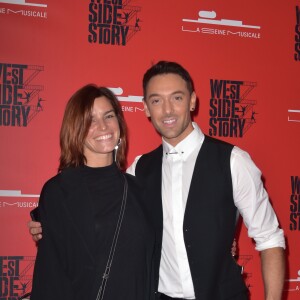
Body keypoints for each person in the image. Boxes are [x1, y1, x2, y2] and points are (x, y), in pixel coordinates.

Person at [29, 62, 286, 300]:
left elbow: (270, 239)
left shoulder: (233, 161)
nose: (167, 110)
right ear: (145, 108)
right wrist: (47, 225)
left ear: (193, 101)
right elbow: (96, 211)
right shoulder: (138, 170)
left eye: (177, 98)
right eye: (156, 100)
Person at [30, 85, 154, 300]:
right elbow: (50, 276)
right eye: (90, 120)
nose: (103, 126)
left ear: (119, 123)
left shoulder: (139, 190)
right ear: (76, 128)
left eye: (108, 116)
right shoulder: (58, 191)